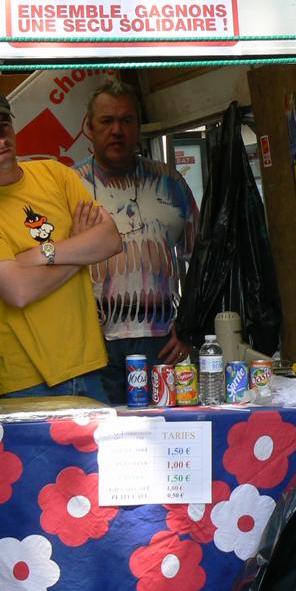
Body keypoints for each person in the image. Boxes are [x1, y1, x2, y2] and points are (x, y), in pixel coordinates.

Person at [0, 85, 122, 401]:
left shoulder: (54, 174)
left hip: (87, 363)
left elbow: (109, 240)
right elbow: (19, 291)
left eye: (3, 126)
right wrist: (80, 248)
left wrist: (41, 253)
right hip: (21, 377)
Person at [75, 80, 200, 405]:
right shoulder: (68, 188)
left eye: (126, 120)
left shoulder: (170, 182)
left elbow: (204, 260)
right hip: (91, 344)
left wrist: (191, 327)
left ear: (138, 126)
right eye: (106, 121)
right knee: (97, 442)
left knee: (164, 435)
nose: (117, 130)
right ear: (89, 128)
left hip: (161, 342)